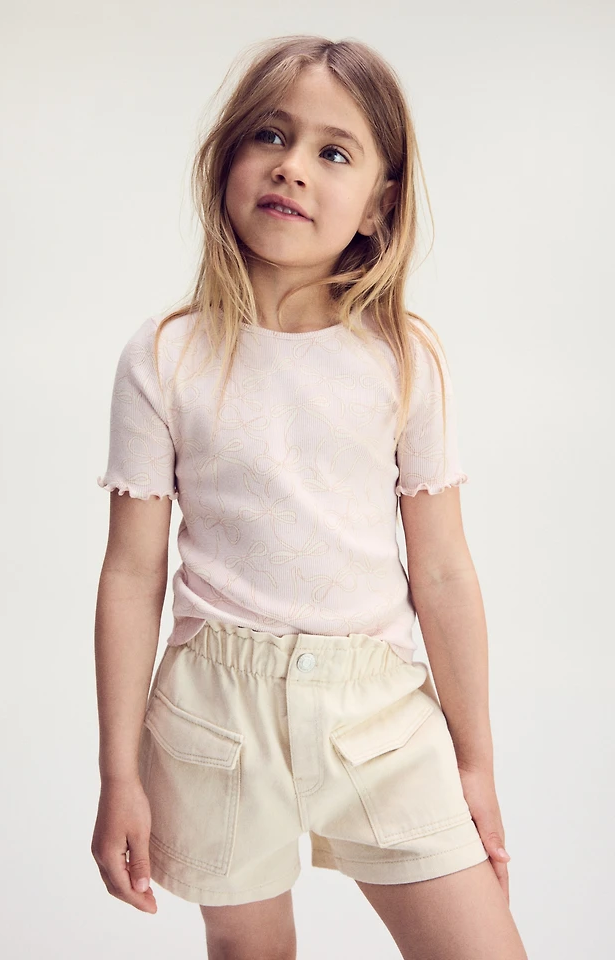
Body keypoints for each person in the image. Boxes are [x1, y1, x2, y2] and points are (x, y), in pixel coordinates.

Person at [91, 34, 528, 960]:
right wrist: (118, 773)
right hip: (215, 715)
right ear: (227, 159)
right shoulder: (165, 356)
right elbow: (132, 574)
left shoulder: (404, 359)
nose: (292, 166)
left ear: (380, 204)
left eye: (335, 151)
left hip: (380, 718)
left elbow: (443, 572)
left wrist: (475, 762)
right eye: (270, 135)